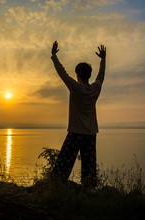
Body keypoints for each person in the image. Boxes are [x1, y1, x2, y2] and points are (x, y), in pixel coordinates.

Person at [50, 41, 106, 189]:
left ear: (77, 75)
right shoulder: (94, 90)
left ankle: (55, 188)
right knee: (89, 166)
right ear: (89, 75)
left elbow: (62, 73)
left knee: (63, 165)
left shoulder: (75, 88)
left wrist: (54, 56)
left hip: (75, 132)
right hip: (90, 133)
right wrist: (103, 60)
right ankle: (89, 190)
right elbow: (101, 77)